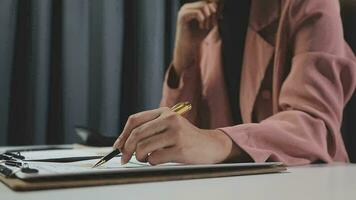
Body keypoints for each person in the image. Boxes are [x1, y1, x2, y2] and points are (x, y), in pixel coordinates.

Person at [114, 0, 356, 166]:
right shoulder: (210, 19)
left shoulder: (310, 4)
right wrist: (182, 61)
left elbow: (314, 125)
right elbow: (184, 139)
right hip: (234, 186)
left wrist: (217, 140)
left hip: (309, 184)